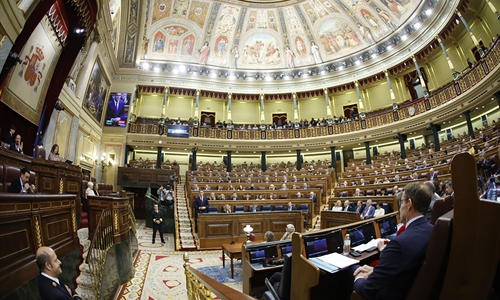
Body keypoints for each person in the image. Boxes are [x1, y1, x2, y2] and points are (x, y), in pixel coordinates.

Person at [353, 182, 433, 300]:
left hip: (390, 294)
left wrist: (358, 278)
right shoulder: (432, 229)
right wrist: (375, 270)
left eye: (401, 202)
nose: (400, 207)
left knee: (353, 268)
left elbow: (367, 290)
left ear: (409, 204)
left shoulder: (399, 244)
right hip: (409, 288)